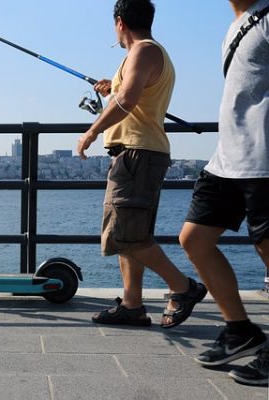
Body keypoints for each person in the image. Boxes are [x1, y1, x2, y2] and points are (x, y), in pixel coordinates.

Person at [77, 0, 207, 328]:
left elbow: (128, 100)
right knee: (130, 232)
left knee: (125, 234)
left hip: (138, 153)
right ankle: (132, 304)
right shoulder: (143, 55)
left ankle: (184, 287)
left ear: (120, 22)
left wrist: (92, 131)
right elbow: (131, 95)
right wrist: (115, 86)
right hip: (136, 153)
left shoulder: (144, 51)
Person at [179, 0, 269, 387]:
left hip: (264, 156)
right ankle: (240, 330)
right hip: (227, 157)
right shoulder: (237, 24)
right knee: (194, 239)